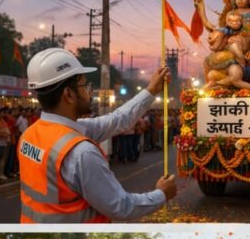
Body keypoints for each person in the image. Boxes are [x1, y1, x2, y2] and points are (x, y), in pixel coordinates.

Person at [19, 48, 176, 223]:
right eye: (85, 86)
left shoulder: (30, 134)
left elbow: (117, 120)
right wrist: (161, 194)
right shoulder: (81, 152)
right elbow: (120, 206)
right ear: (69, 95)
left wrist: (151, 91)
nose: (90, 92)